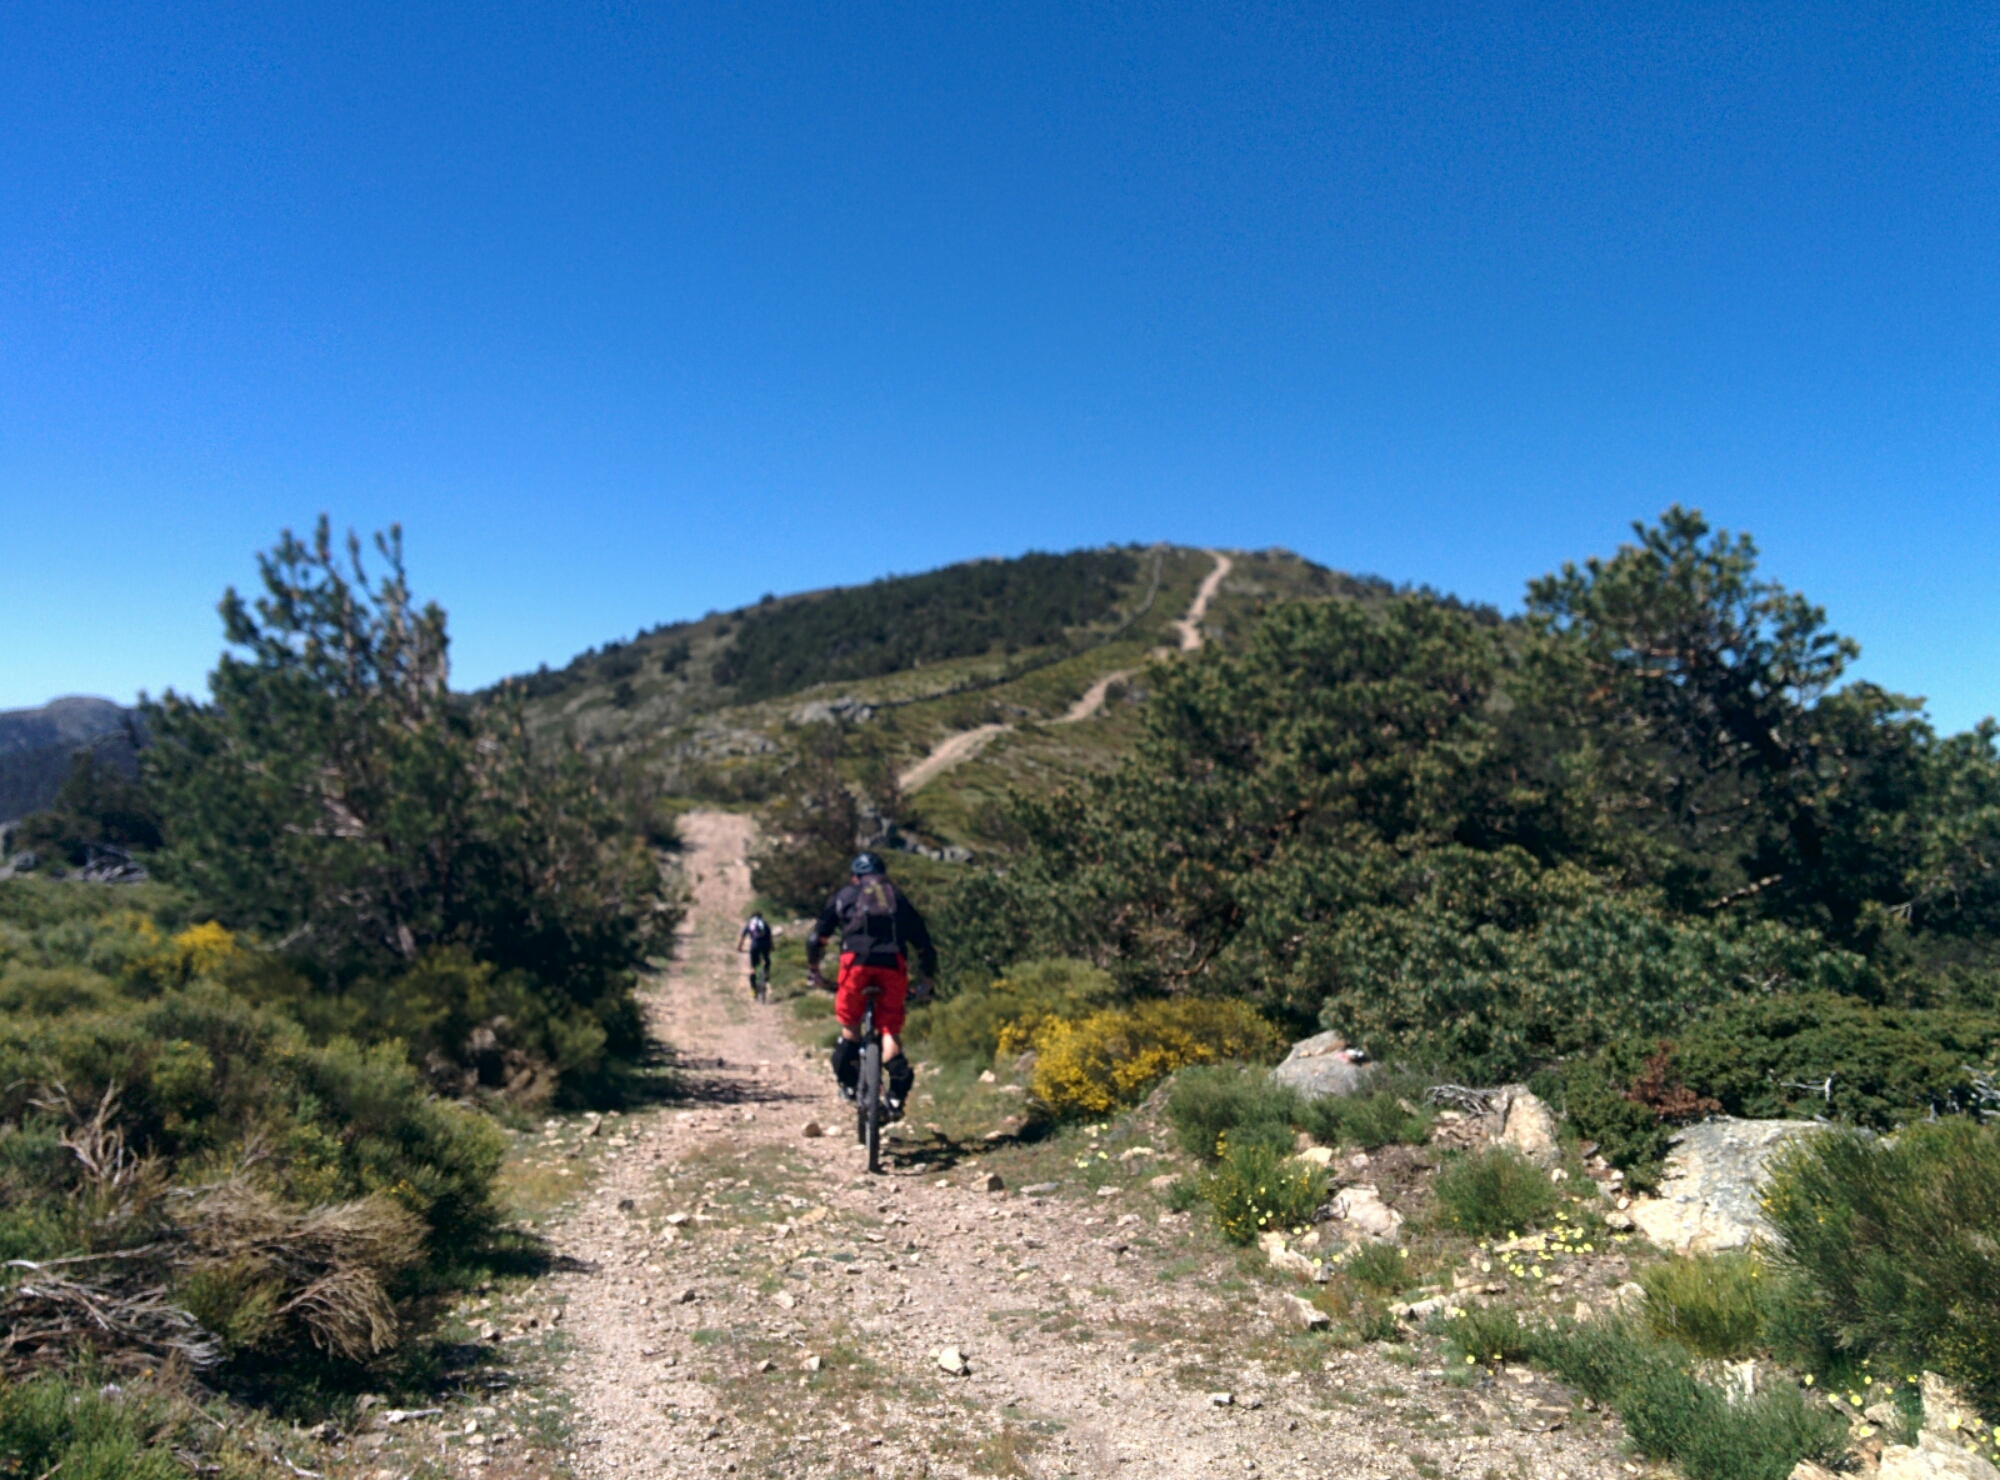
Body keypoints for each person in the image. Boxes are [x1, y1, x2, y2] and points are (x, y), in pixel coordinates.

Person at [805, 852, 937, 1119]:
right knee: (889, 1030)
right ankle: (896, 1094)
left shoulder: (846, 895)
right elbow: (923, 943)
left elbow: (816, 937)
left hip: (855, 964)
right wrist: (926, 981)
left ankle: (849, 1084)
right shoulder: (896, 897)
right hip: (892, 965)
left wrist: (815, 970)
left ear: (856, 876)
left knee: (851, 1026)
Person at [737, 911, 774, 999]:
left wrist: (740, 947)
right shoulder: (765, 924)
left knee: (753, 968)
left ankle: (753, 990)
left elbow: (743, 936)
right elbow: (770, 937)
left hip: (755, 946)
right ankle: (766, 973)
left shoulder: (750, 924)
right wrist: (772, 947)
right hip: (765, 946)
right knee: (766, 960)